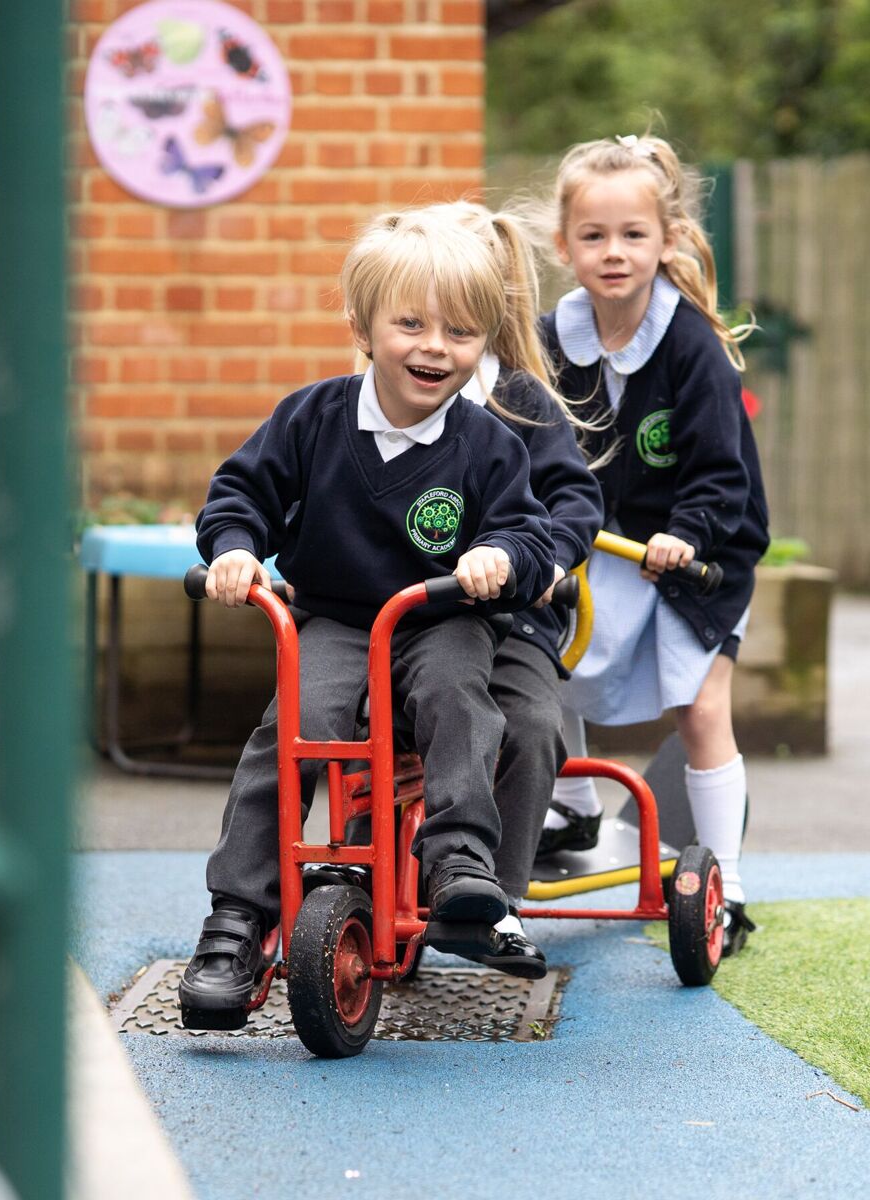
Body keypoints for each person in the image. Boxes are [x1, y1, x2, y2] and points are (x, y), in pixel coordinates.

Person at [177, 212, 558, 1029]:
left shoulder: (488, 445)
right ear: (362, 326)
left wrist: (499, 559)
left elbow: (529, 531)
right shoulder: (311, 419)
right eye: (411, 324)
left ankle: (459, 865)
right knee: (294, 725)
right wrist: (237, 551)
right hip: (340, 621)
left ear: (484, 340)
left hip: (442, 617)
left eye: (459, 331)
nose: (433, 347)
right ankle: (237, 920)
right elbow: (240, 494)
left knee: (461, 695)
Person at [522, 132, 772, 955]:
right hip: (600, 543)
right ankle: (574, 806)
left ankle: (727, 889)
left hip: (705, 547)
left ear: (666, 241)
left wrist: (684, 536)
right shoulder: (553, 341)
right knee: (538, 649)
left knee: (701, 707)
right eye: (594, 237)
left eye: (633, 235)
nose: (614, 253)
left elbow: (719, 471)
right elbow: (527, 442)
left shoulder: (691, 347)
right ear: (566, 247)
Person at [408, 202, 604, 979]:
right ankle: (361, 878)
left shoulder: (519, 399)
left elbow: (575, 501)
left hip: (513, 619)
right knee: (352, 720)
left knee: (528, 724)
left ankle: (497, 902)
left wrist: (546, 559)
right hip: (421, 623)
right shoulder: (384, 395)